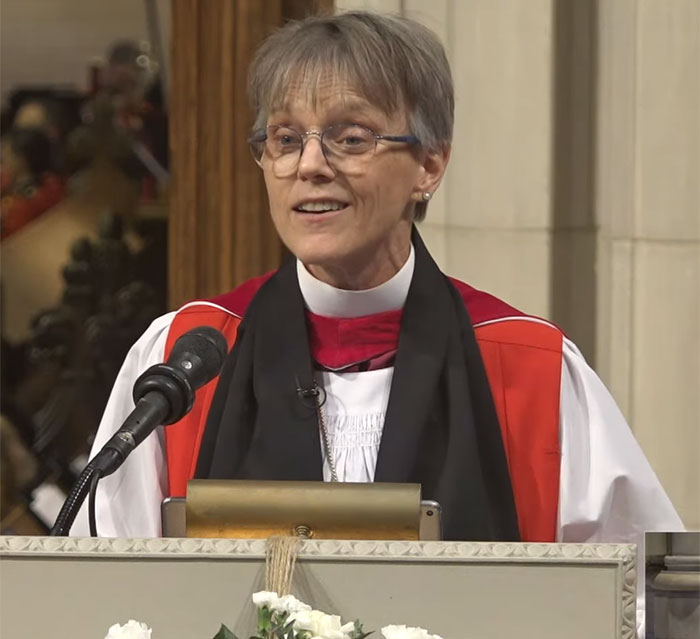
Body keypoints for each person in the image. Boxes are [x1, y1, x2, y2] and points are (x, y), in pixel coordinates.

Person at [71, 10, 682, 632]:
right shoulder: (187, 359)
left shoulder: (527, 368)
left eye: (350, 138)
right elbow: (107, 587)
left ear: (430, 164)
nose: (309, 166)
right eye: (285, 139)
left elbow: (639, 603)